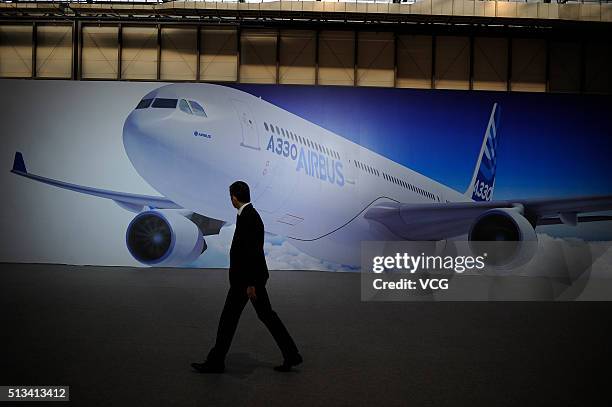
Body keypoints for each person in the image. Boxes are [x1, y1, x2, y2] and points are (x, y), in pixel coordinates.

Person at [191, 181, 302, 373]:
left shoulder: (249, 217)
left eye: (230, 197)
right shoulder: (248, 215)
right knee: (264, 316)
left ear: (234, 197)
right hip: (247, 280)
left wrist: (251, 284)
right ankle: (291, 355)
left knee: (230, 320)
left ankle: (216, 362)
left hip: (246, 282)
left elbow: (253, 252)